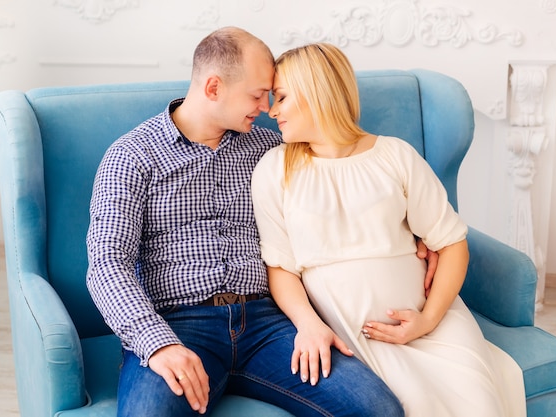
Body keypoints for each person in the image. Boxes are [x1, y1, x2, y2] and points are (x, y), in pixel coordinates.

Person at [86, 27, 419, 417]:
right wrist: (158, 344)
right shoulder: (132, 155)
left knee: (378, 410)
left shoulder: (273, 150)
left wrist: (409, 226)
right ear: (213, 88)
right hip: (178, 324)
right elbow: (108, 263)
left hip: (269, 325)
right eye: (257, 94)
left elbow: (343, 190)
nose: (267, 107)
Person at [251, 43, 527, 417]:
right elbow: (280, 267)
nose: (272, 110)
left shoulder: (394, 155)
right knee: (413, 404)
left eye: (281, 97)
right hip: (357, 332)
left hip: (431, 323)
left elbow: (451, 243)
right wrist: (309, 324)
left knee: (478, 399)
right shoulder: (275, 168)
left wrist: (428, 319)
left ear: (316, 90)